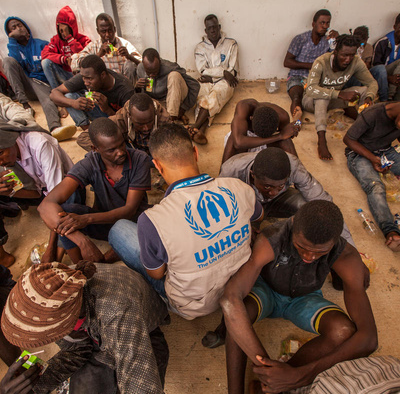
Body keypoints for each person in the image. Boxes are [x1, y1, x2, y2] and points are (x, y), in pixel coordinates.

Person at [108, 123, 263, 320]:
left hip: (195, 305)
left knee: (119, 229)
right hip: (240, 288)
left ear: (157, 165)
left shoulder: (152, 220)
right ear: (196, 153)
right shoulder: (238, 187)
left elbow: (157, 274)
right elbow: (258, 217)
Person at [219, 200, 377, 394]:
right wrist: (268, 367)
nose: (309, 257)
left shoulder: (346, 254)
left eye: (320, 252)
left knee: (343, 331)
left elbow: (368, 338)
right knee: (237, 316)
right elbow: (229, 300)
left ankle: (276, 382)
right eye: (302, 246)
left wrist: (299, 376)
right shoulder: (272, 238)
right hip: (266, 291)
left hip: (305, 297)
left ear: (335, 241)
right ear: (292, 227)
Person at [1, 261, 170, 394]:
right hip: (97, 338)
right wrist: (35, 384)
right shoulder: (59, 293)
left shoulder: (116, 310)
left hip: (142, 334)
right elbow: (78, 349)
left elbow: (142, 387)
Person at [38, 118, 151, 264]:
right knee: (64, 214)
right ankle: (80, 265)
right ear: (95, 149)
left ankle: (104, 259)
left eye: (122, 144)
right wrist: (83, 242)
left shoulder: (139, 159)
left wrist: (86, 219)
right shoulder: (90, 163)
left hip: (134, 221)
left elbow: (129, 210)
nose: (120, 152)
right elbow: (45, 205)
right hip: (104, 221)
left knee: (146, 235)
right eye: (111, 150)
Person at [219, 147, 354, 245]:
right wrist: (244, 226)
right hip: (245, 206)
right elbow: (222, 210)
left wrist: (349, 247)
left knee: (312, 208)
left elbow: (324, 204)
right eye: (267, 186)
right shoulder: (232, 170)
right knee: (245, 243)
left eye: (280, 186)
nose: (273, 193)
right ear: (253, 175)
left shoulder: (293, 165)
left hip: (280, 201)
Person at [0, 93, 74, 267]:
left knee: (69, 211)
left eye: (1, 154)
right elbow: (33, 191)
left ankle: (60, 248)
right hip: (41, 190)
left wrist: (51, 248)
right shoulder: (8, 157)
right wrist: (10, 191)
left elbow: (57, 198)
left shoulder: (40, 145)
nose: (1, 162)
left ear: (11, 140)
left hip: (63, 189)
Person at [302, 34, 378, 161]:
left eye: (351, 55)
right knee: (323, 96)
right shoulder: (321, 62)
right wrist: (339, 94)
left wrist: (369, 97)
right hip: (311, 101)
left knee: (364, 91)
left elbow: (372, 83)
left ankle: (367, 131)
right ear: (335, 52)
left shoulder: (356, 62)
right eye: (344, 55)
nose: (347, 59)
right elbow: (311, 89)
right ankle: (321, 140)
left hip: (334, 100)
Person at [3, 17, 76, 141]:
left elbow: (52, 66)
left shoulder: (41, 44)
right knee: (8, 61)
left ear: (26, 27)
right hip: (28, 85)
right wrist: (12, 39)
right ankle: (25, 105)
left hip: (44, 84)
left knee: (47, 101)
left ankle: (54, 128)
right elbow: (14, 65)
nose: (18, 29)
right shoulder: (14, 48)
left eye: (20, 25)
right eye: (13, 28)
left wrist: (59, 96)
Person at [343, 101, 400, 252]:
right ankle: (390, 231)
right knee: (375, 186)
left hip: (386, 151)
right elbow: (348, 140)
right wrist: (373, 159)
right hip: (359, 153)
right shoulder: (373, 114)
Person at [50, 55, 135, 130]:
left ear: (102, 75)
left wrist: (107, 110)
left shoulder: (125, 90)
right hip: (99, 115)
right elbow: (54, 93)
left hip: (116, 123)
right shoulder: (87, 75)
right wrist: (73, 103)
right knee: (69, 96)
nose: (86, 82)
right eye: (83, 78)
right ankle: (89, 132)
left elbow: (129, 125)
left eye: (90, 79)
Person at [190, 14, 238, 145]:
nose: (212, 30)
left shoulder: (231, 44)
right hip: (208, 80)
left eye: (215, 27)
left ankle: (195, 126)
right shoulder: (200, 48)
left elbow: (232, 71)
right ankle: (201, 132)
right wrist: (223, 72)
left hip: (227, 82)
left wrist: (216, 76)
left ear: (219, 27)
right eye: (209, 28)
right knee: (201, 98)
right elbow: (203, 70)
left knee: (214, 97)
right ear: (205, 30)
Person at [76, 92, 171, 154]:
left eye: (149, 122)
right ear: (130, 115)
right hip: (129, 152)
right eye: (140, 124)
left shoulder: (165, 120)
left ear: (154, 113)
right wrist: (114, 153)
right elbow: (83, 138)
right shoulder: (120, 119)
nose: (146, 128)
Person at [284, 9, 337, 115]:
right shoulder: (300, 39)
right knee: (296, 97)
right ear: (313, 24)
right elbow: (287, 62)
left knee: (330, 97)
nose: (325, 26)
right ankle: (297, 122)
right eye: (322, 23)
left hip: (318, 78)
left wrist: (337, 40)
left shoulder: (328, 41)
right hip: (298, 77)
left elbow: (335, 62)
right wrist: (312, 65)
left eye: (327, 23)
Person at [221, 99, 301, 164]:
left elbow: (289, 133)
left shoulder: (282, 116)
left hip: (269, 142)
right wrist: (279, 136)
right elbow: (238, 143)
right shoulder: (244, 107)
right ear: (251, 118)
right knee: (233, 138)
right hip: (246, 141)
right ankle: (223, 176)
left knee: (286, 140)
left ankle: (298, 172)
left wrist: (297, 122)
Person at [71, 13, 141, 84]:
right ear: (98, 31)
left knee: (130, 65)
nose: (107, 35)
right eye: (103, 31)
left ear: (114, 29)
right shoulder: (94, 46)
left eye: (110, 30)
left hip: (123, 84)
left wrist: (129, 56)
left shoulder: (124, 44)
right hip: (103, 85)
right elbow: (75, 62)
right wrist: (98, 55)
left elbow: (142, 64)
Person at [136, 48, 200, 123]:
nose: (151, 75)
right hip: (158, 104)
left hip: (173, 100)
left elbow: (195, 86)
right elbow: (142, 96)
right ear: (143, 63)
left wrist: (183, 108)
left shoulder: (170, 67)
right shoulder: (140, 68)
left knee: (174, 76)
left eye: (155, 72)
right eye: (149, 72)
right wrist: (137, 88)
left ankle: (171, 119)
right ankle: (170, 117)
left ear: (159, 62)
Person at [41, 6, 91, 90]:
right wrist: (63, 59)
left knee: (71, 96)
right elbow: (44, 54)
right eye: (61, 30)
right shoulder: (56, 40)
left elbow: (86, 57)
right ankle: (56, 92)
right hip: (65, 75)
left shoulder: (83, 39)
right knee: (45, 62)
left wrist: (70, 38)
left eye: (66, 30)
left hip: (80, 77)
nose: (63, 33)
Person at [371, 13, 400, 101]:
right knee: (381, 69)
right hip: (382, 74)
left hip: (396, 77)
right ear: (394, 27)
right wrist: (389, 78)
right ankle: (387, 99)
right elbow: (376, 69)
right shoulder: (382, 42)